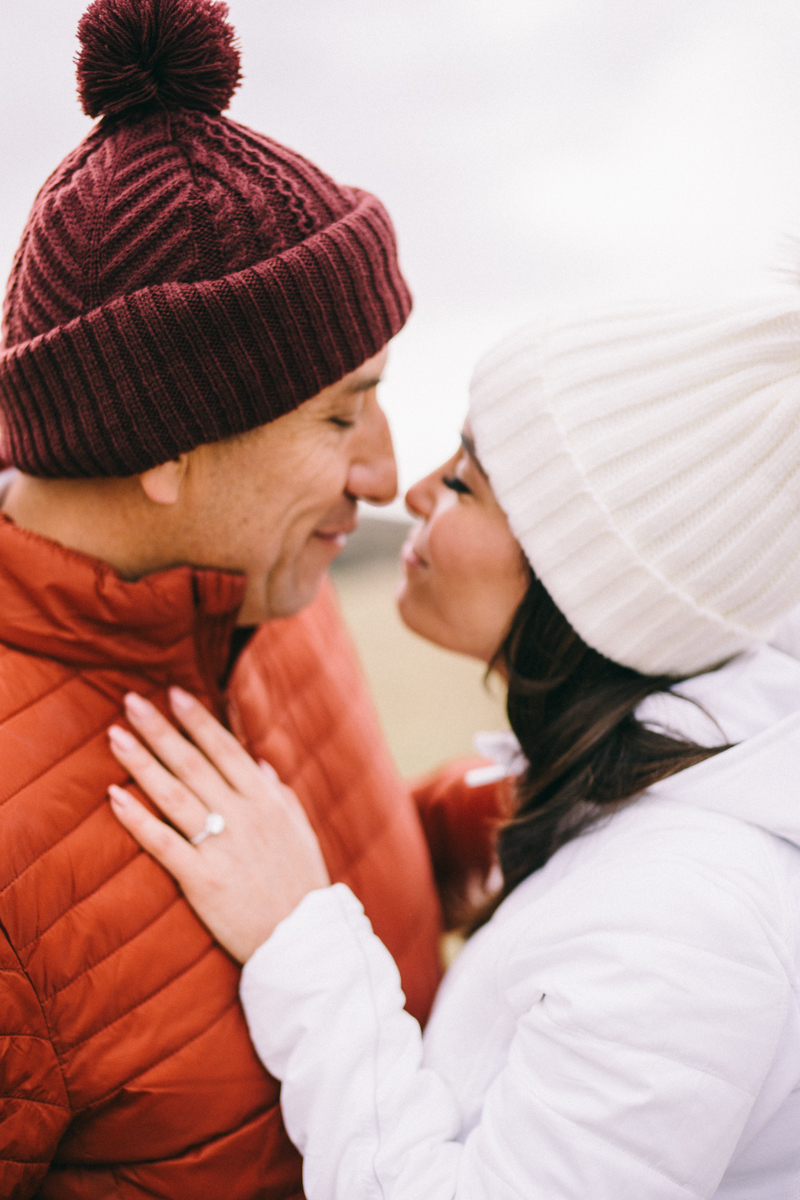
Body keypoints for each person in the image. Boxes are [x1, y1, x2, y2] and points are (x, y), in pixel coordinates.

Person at [110, 298, 800, 1198]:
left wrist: (297, 938)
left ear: (585, 589)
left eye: (468, 482)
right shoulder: (654, 802)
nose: (413, 491)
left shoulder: (683, 919)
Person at [0, 1, 465, 1196]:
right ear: (164, 443)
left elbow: (320, 864)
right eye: (335, 414)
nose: (384, 472)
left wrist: (513, 816)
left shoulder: (273, 583)